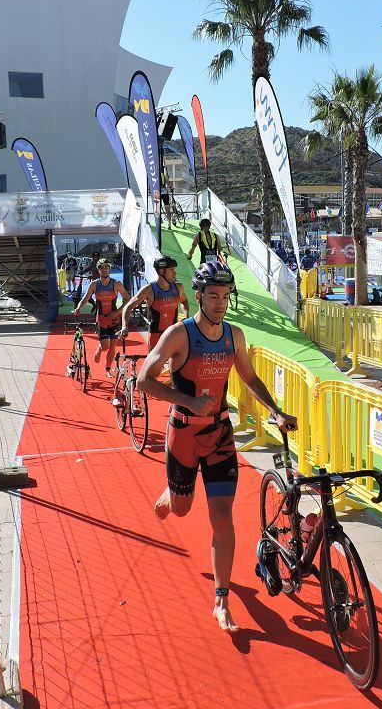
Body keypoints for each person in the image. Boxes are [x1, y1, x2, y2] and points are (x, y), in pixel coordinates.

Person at [137, 261, 298, 633]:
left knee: (222, 520)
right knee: (180, 510)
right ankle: (173, 491)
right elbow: (145, 380)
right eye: (213, 296)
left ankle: (221, 599)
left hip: (221, 436)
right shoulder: (179, 334)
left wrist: (275, 411)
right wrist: (186, 400)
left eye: (226, 296)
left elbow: (249, 376)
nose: (221, 303)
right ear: (198, 295)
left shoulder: (234, 335)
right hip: (183, 434)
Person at [119, 255, 190, 350]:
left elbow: (184, 301)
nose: (175, 273)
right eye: (171, 270)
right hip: (156, 335)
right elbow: (127, 307)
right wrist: (125, 327)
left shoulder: (178, 287)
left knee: (176, 364)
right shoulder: (149, 290)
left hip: (174, 334)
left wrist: (186, 316)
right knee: (155, 364)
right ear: (161, 271)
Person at [72, 258, 128, 377]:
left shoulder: (117, 284)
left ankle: (107, 369)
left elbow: (128, 299)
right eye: (102, 268)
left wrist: (117, 312)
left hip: (114, 319)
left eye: (106, 267)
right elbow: (85, 299)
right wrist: (78, 308)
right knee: (105, 346)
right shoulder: (94, 284)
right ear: (98, 270)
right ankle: (99, 348)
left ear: (109, 269)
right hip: (101, 319)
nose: (104, 270)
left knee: (113, 344)